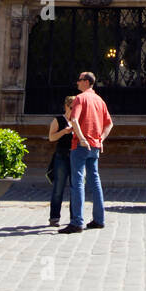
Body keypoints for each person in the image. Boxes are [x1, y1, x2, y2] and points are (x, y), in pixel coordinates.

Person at [60, 71, 113, 234]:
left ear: (86, 82)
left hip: (81, 146)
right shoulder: (99, 100)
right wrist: (101, 139)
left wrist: (81, 138)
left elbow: (74, 120)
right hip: (95, 146)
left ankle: (77, 222)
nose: (77, 82)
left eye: (79, 80)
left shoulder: (80, 98)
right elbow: (109, 124)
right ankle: (99, 219)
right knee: (95, 181)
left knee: (77, 183)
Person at [46, 96, 77, 227]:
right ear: (66, 107)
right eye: (71, 108)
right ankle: (54, 217)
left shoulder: (77, 121)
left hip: (75, 157)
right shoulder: (58, 120)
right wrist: (64, 132)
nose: (73, 110)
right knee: (58, 187)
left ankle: (74, 217)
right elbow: (51, 137)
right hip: (62, 156)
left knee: (75, 188)